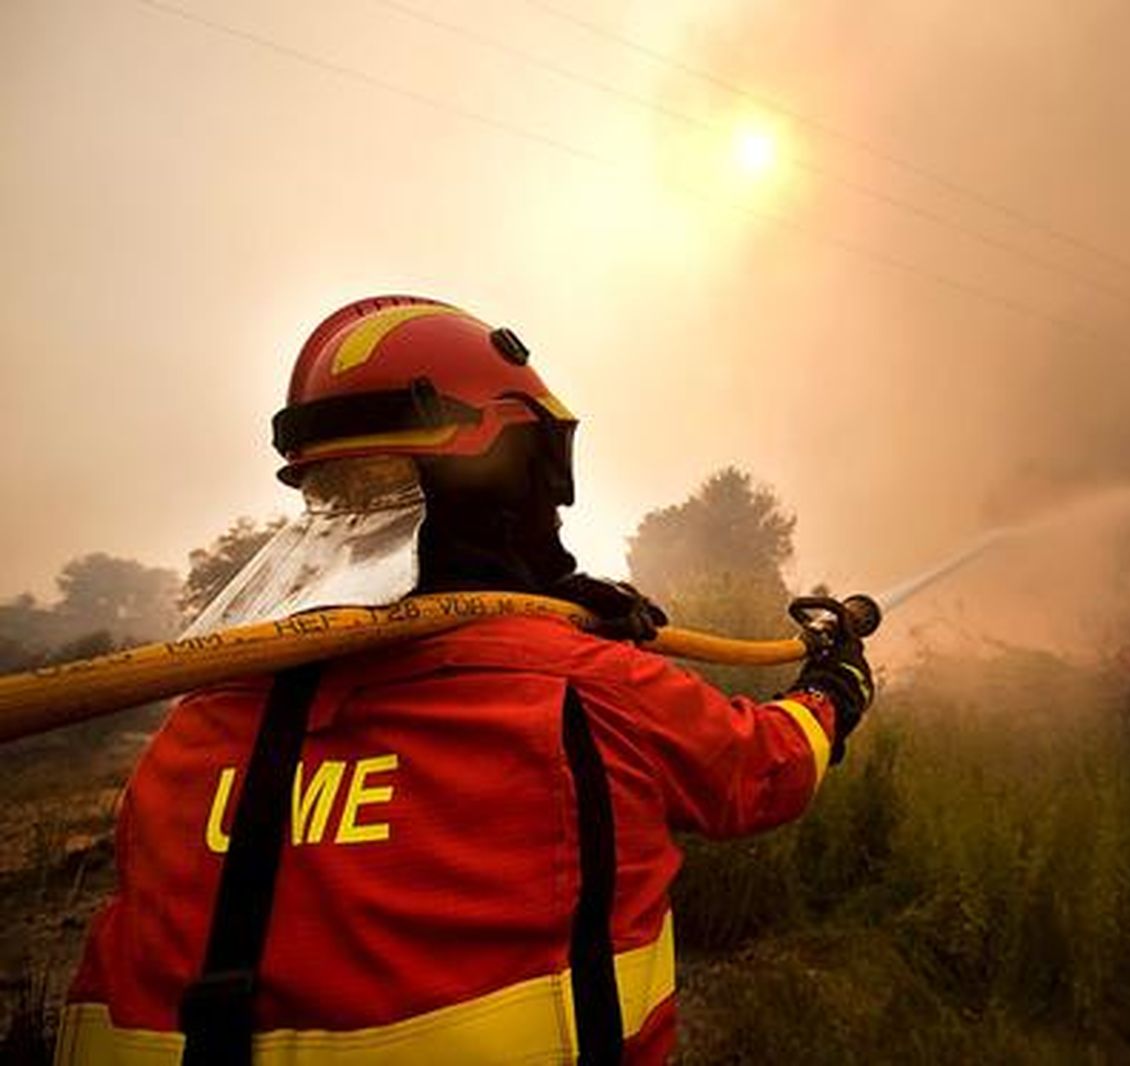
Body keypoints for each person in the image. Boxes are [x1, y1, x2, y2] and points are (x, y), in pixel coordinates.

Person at [54, 295, 874, 1065]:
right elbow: (763, 767)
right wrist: (831, 689)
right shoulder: (583, 691)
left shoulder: (190, 733)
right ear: (510, 478)